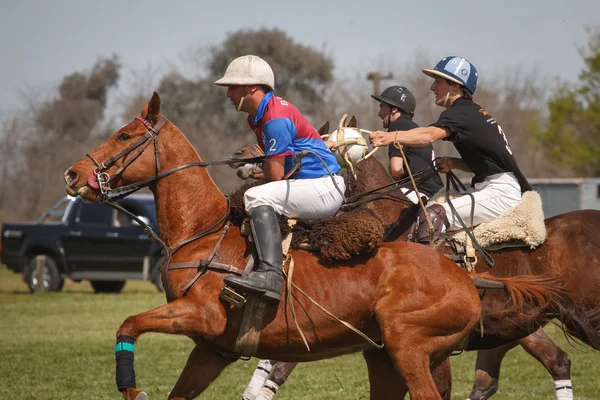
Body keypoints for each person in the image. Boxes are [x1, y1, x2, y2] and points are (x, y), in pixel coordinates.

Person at [215, 54, 345, 303]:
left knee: (254, 195)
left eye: (232, 87)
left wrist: (257, 167)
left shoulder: (275, 118)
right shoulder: (259, 115)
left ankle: (270, 276)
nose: (228, 94)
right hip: (310, 184)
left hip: (323, 188)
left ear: (250, 87)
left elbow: (275, 176)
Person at [369, 56, 531, 252]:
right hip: (498, 186)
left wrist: (390, 137)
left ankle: (431, 279)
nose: (432, 87)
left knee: (432, 217)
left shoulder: (460, 113)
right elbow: (487, 164)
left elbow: (428, 135)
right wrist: (454, 163)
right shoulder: (470, 112)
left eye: (438, 81)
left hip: (501, 191)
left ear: (454, 86)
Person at [371, 85, 443, 203]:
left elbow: (396, 169)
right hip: (434, 192)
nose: (379, 113)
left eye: (382, 107)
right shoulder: (414, 128)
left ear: (394, 109)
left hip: (419, 192)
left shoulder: (398, 126)